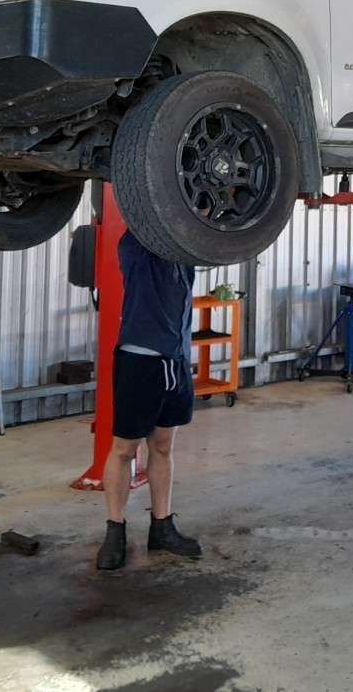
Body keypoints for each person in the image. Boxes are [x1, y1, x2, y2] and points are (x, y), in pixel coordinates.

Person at [96, 230, 203, 571]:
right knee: (124, 449)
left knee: (162, 446)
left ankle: (162, 527)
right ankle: (115, 531)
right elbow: (144, 204)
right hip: (139, 361)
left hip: (176, 360)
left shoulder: (185, 250)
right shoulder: (137, 246)